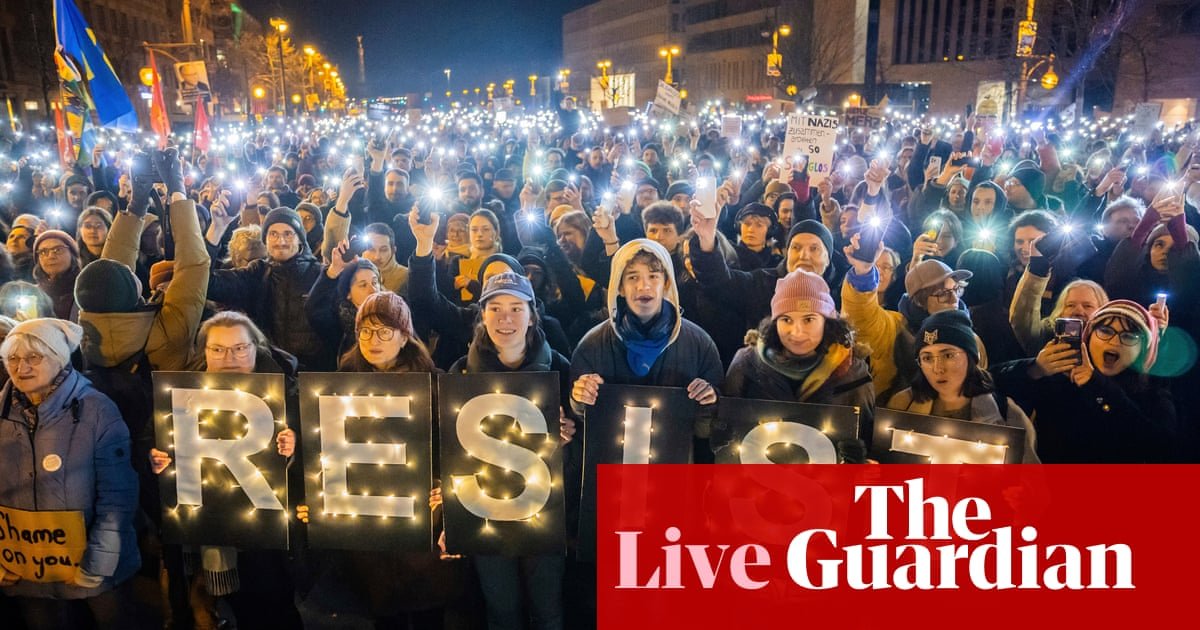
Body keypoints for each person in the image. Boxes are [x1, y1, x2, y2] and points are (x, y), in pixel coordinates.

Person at [148, 311, 302, 629]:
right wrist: (157, 456)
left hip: (267, 535)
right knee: (236, 607)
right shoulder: (180, 393)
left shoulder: (286, 391)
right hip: (212, 528)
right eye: (217, 349)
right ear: (203, 351)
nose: (228, 358)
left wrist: (294, 446)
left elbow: (315, 457)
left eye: (239, 348)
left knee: (275, 606)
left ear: (255, 347)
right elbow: (155, 438)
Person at [447, 272, 571, 630]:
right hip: (486, 513)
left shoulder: (560, 367)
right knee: (501, 610)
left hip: (545, 512)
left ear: (532, 315)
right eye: (496, 308)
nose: (506, 318)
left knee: (547, 609)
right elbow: (450, 450)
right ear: (482, 316)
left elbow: (581, 450)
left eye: (516, 308)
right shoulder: (461, 373)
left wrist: (569, 436)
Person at [0, 318, 141, 629]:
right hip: (28, 568)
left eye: (34, 357)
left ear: (59, 358)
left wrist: (99, 562)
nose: (21, 367)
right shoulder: (2, 412)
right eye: (12, 358)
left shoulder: (97, 411)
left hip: (95, 568)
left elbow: (118, 496)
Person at [993, 300, 1177, 462]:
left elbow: (1159, 444)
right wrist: (1034, 369)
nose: (1114, 341)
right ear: (1088, 338)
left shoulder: (1151, 389)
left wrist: (1097, 385)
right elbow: (987, 383)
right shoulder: (1061, 376)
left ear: (1142, 349)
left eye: (1128, 336)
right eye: (1105, 330)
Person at [722, 268, 875, 427]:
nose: (796, 332)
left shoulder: (853, 373)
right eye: (786, 320)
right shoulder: (746, 363)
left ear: (827, 323)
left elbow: (866, 433)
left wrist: (855, 450)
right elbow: (726, 429)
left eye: (808, 319)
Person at [884, 310, 1040, 463]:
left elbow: (1032, 481)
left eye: (948, 355)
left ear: (971, 356)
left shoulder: (1007, 413)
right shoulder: (902, 405)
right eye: (927, 358)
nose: (938, 368)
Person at [205, 206, 330, 370]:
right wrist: (216, 231)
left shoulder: (321, 275)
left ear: (300, 238)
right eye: (273, 234)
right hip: (268, 375)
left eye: (288, 233)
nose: (281, 241)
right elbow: (208, 284)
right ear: (265, 240)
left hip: (315, 377)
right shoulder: (257, 273)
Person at [32, 230, 81, 321]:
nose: (51, 256)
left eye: (58, 250)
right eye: (43, 252)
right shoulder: (32, 295)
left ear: (72, 254)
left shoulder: (85, 290)